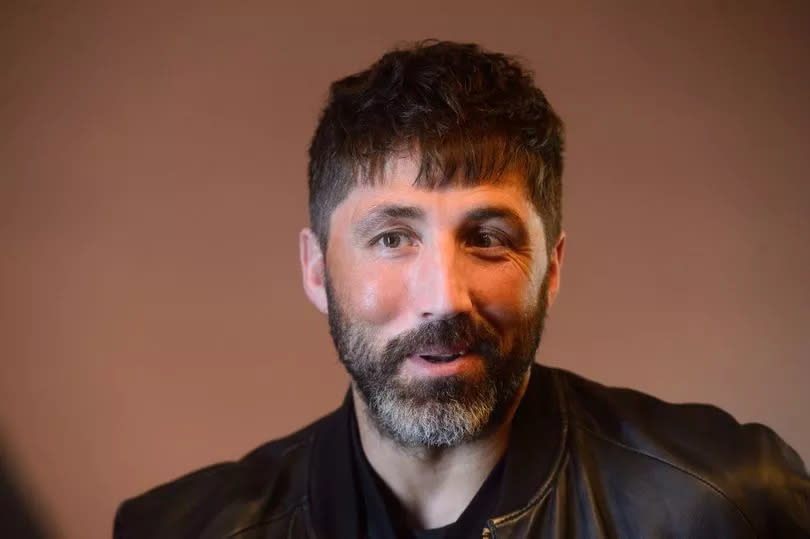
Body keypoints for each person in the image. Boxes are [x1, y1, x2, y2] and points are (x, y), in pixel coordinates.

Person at [114, 40, 810, 538]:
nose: (444, 297)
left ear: (552, 266)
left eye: (488, 238)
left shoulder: (730, 503)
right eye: (392, 238)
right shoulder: (181, 528)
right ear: (316, 270)